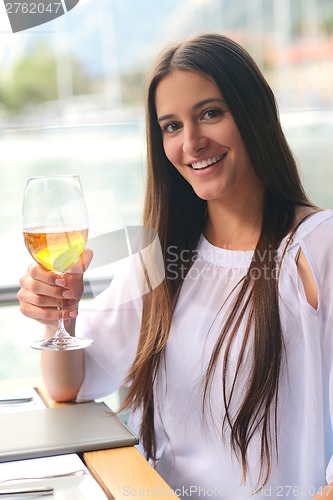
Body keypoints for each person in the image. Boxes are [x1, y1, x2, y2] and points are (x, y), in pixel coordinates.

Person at [17, 33, 333, 499]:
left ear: (255, 113)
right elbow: (72, 386)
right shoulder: (163, 257)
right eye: (171, 126)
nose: (192, 142)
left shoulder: (317, 248)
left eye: (210, 113)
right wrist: (58, 318)